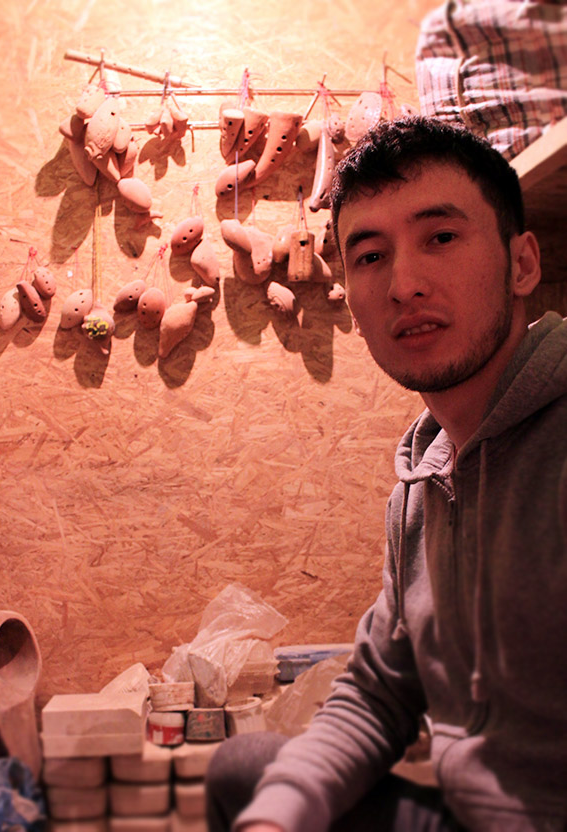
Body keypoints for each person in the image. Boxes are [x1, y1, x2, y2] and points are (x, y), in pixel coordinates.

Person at [205, 116, 567, 832]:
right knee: (248, 773)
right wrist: (278, 815)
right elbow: (379, 692)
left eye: (441, 238)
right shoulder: (424, 483)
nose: (404, 285)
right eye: (370, 256)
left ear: (522, 264)